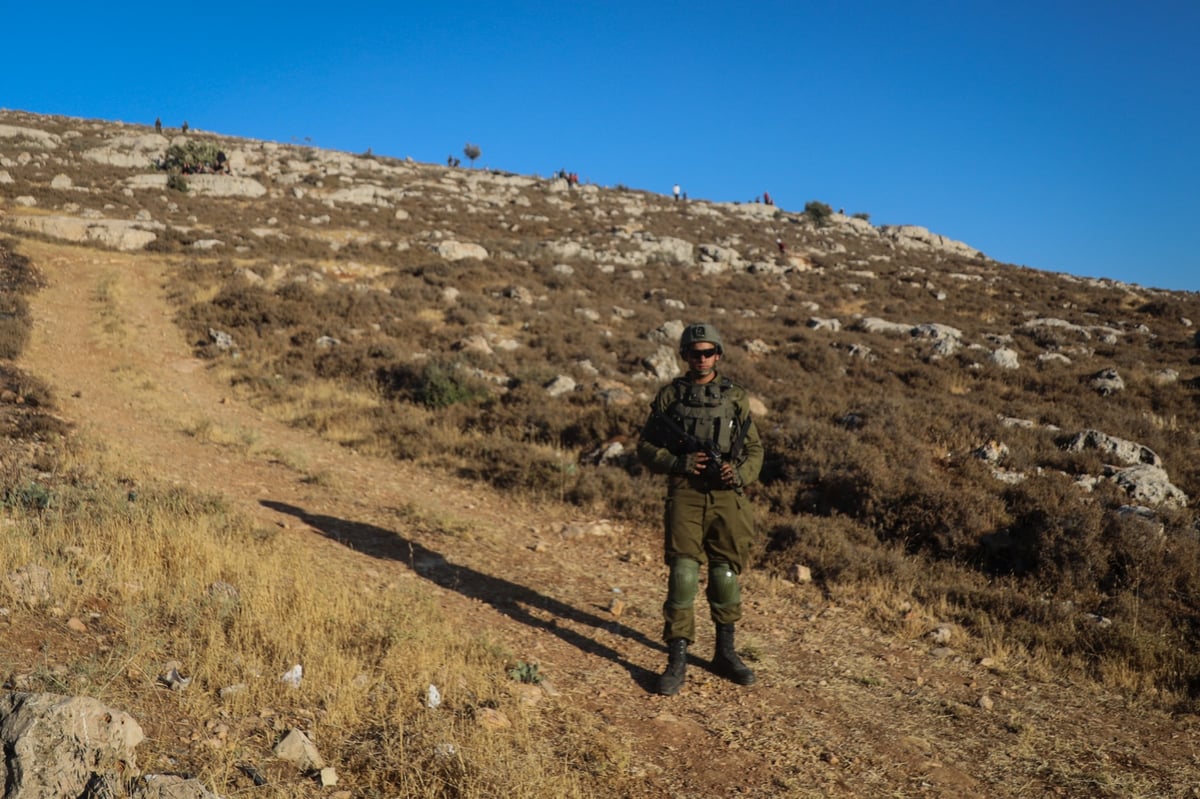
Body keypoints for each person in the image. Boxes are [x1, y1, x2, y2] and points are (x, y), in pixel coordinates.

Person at [637, 322, 764, 696]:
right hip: (686, 493)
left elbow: (755, 450)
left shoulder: (736, 397)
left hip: (727, 494)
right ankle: (677, 660)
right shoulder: (669, 397)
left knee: (725, 574)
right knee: (683, 574)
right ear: (685, 357)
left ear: (719, 355)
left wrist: (738, 472)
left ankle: (725, 653)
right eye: (695, 353)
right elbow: (645, 448)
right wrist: (679, 463)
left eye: (708, 352)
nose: (702, 358)